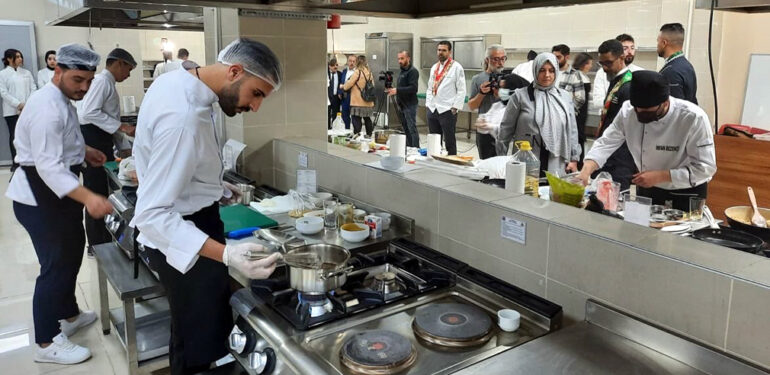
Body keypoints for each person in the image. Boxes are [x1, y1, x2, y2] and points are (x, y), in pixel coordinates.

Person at [130, 38, 282, 374]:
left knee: (192, 330)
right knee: (196, 342)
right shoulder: (183, 119)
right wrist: (229, 255)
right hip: (181, 236)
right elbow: (152, 215)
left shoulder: (177, 79)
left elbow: (172, 161)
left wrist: (213, 187)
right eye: (256, 94)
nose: (255, 107)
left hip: (194, 220)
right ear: (234, 71)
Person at [5, 43, 113, 365]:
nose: (84, 87)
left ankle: (68, 315)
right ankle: (45, 342)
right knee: (55, 265)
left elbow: (63, 143)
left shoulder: (61, 100)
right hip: (38, 194)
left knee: (71, 250)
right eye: (78, 79)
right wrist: (90, 197)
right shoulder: (46, 107)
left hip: (56, 192)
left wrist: (85, 152)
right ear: (59, 71)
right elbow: (48, 166)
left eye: (89, 82)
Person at [578, 71, 716, 210]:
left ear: (665, 103)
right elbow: (606, 142)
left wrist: (661, 176)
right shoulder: (628, 111)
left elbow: (705, 168)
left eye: (648, 112)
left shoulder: (692, 117)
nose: (641, 115)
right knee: (643, 230)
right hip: (647, 188)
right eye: (638, 110)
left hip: (686, 192)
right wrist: (586, 170)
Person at [76, 48, 137, 256]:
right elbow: (89, 112)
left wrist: (125, 148)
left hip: (100, 139)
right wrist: (123, 128)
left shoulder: (108, 83)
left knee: (102, 191)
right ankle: (95, 245)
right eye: (128, 69)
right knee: (95, 192)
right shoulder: (102, 81)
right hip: (92, 139)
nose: (128, 75)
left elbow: (109, 117)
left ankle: (102, 240)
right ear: (119, 63)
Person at [496, 53, 580, 175]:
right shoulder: (520, 96)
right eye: (542, 70)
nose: (547, 75)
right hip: (526, 158)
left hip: (555, 159)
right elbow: (505, 129)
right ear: (535, 71)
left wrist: (574, 157)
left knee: (550, 190)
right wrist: (501, 158)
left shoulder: (564, 97)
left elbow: (572, 129)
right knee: (524, 190)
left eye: (551, 71)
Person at [594, 39, 637, 190]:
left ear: (621, 58)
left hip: (620, 160)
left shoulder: (629, 85)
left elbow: (626, 128)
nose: (605, 68)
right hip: (607, 155)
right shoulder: (616, 81)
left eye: (609, 63)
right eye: (602, 63)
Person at [426, 41, 466, 155]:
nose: (440, 53)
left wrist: (455, 107)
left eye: (444, 50)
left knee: (449, 140)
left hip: (447, 109)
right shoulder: (434, 67)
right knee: (434, 140)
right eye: (439, 50)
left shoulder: (457, 67)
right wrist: (428, 104)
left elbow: (461, 89)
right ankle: (435, 160)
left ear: (450, 52)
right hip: (433, 108)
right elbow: (430, 87)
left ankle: (452, 162)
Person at [468, 44, 508, 159]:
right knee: (486, 163)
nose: (500, 62)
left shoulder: (509, 79)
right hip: (484, 129)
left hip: (503, 129)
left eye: (503, 58)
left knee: (501, 163)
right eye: (496, 59)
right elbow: (471, 106)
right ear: (487, 60)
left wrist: (501, 93)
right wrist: (481, 93)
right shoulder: (478, 79)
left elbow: (514, 102)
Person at [1, 49, 37, 172]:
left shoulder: (26, 72)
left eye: (21, 56)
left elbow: (33, 88)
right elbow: (3, 93)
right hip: (11, 111)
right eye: (17, 57)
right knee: (14, 136)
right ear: (9, 59)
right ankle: (16, 163)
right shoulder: (3, 74)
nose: (20, 59)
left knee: (29, 135)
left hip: (28, 109)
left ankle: (31, 161)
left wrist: (27, 104)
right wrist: (18, 104)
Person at [591, 34, 644, 115]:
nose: (630, 52)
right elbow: (597, 101)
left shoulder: (641, 73)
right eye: (625, 48)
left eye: (632, 48)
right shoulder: (602, 73)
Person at [658, 23, 698, 104]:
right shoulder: (687, 66)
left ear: (664, 43)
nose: (657, 45)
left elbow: (674, 109)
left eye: (658, 41)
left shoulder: (670, 72)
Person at [387, 50, 419, 147]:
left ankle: (416, 148)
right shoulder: (402, 71)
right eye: (398, 59)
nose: (400, 61)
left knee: (411, 128)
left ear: (408, 58)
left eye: (402, 58)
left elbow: (413, 88)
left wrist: (397, 90)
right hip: (401, 104)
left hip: (409, 105)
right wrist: (393, 90)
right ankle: (409, 147)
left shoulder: (413, 71)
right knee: (405, 128)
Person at [552, 44, 586, 134]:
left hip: (565, 121)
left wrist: (566, 113)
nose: (555, 60)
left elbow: (580, 98)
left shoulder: (574, 74)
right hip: (549, 118)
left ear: (567, 57)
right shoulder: (550, 73)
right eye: (553, 57)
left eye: (558, 57)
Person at [342, 55, 375, 137]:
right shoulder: (369, 72)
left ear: (357, 62)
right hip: (368, 101)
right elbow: (372, 85)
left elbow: (348, 85)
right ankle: (369, 135)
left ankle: (357, 135)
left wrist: (343, 86)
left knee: (356, 119)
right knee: (367, 119)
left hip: (357, 102)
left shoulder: (357, 72)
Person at [572, 52, 594, 165]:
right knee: (577, 137)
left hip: (582, 113)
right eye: (590, 64)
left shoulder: (582, 76)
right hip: (578, 113)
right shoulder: (577, 76)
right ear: (584, 64)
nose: (590, 66)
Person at [340, 55, 356, 130]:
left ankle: (355, 132)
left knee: (354, 116)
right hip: (345, 96)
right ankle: (347, 131)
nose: (351, 63)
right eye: (350, 61)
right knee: (345, 116)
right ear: (347, 62)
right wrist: (339, 92)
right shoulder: (344, 71)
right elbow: (341, 82)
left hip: (353, 96)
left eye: (353, 61)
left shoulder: (357, 72)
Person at [327, 58, 343, 129]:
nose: (335, 67)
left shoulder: (340, 74)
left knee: (336, 114)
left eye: (336, 65)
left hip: (336, 98)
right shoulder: (326, 74)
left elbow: (342, 84)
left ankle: (335, 129)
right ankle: (327, 129)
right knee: (327, 114)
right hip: (327, 97)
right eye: (333, 65)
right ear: (329, 66)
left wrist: (340, 93)